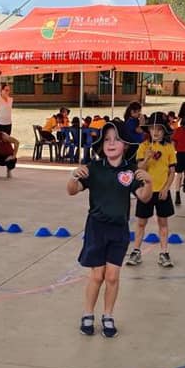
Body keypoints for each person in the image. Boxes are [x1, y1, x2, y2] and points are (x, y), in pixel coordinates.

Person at [67, 122, 152, 338]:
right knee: (97, 275)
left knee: (112, 276)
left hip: (119, 230)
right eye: (107, 139)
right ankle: (87, 313)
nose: (111, 143)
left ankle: (108, 315)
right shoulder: (94, 168)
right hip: (96, 228)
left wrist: (148, 182)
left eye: (116, 139)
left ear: (125, 144)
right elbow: (72, 191)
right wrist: (73, 176)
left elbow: (143, 197)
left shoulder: (131, 171)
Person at [126, 117, 177, 268]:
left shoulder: (168, 148)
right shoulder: (143, 146)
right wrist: (147, 157)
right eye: (153, 129)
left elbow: (172, 171)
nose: (156, 132)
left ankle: (164, 253)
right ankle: (136, 251)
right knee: (141, 222)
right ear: (148, 130)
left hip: (161, 192)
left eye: (159, 129)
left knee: (163, 223)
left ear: (164, 132)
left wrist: (166, 188)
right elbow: (140, 169)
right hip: (146, 191)